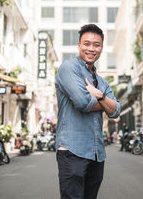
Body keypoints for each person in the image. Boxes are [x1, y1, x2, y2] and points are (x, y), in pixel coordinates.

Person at [55, 24, 121, 199]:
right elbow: (82, 102)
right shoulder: (69, 68)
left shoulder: (101, 81)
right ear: (79, 46)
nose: (91, 48)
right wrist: (106, 102)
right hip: (72, 150)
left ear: (101, 48)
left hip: (96, 153)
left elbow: (116, 111)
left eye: (96, 44)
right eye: (87, 43)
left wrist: (98, 95)